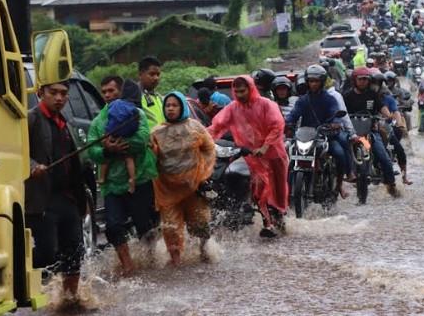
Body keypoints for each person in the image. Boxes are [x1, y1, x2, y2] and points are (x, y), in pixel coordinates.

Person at [87, 80, 157, 276]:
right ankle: (128, 266)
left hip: (139, 179)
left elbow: (143, 139)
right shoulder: (98, 122)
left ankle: (151, 260)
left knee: (144, 225)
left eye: (111, 90)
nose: (108, 95)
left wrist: (121, 144)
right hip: (112, 186)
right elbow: (92, 150)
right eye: (104, 91)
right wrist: (107, 150)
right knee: (113, 226)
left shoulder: (137, 115)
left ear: (121, 91)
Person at [26, 81, 86, 303]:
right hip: (43, 200)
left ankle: (71, 300)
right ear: (41, 93)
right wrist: (33, 166)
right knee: (47, 254)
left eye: (63, 94)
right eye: (53, 93)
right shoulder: (31, 119)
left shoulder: (65, 122)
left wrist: (82, 200)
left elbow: (75, 164)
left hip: (68, 197)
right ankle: (36, 294)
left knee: (74, 252)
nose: (59, 98)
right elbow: (15, 150)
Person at [207, 76, 289, 238]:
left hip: (274, 155)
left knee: (278, 193)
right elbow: (217, 126)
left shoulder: (266, 104)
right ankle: (268, 223)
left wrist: (265, 147)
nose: (239, 94)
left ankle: (278, 218)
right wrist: (202, 138)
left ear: (250, 89)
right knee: (260, 188)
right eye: (236, 91)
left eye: (242, 91)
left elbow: (277, 126)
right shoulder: (233, 108)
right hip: (254, 157)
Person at [150, 92, 216, 265]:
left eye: (174, 105)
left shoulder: (195, 127)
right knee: (171, 228)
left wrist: (203, 174)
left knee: (200, 223)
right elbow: (152, 158)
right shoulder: (156, 132)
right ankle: (176, 262)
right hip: (167, 190)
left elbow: (209, 150)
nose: (170, 109)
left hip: (193, 187)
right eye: (167, 105)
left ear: (182, 107)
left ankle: (203, 250)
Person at [286, 65, 353, 197]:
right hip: (305, 137)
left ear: (322, 82)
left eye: (316, 81)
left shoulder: (330, 99)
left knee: (339, 153)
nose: (313, 84)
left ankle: (339, 185)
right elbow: (293, 114)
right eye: (311, 81)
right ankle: (288, 192)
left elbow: (335, 112)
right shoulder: (303, 100)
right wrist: (285, 122)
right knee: (290, 157)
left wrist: (335, 123)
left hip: (325, 136)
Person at [344, 68, 398, 196]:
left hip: (370, 133)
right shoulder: (347, 96)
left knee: (383, 157)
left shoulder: (372, 95)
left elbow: (381, 107)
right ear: (354, 81)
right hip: (353, 135)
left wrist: (388, 115)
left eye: (366, 79)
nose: (363, 82)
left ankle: (391, 185)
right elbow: (341, 111)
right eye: (360, 79)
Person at [138, 56, 164, 128]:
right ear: (140, 75)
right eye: (152, 74)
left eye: (158, 74)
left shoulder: (159, 97)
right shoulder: (134, 96)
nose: (156, 78)